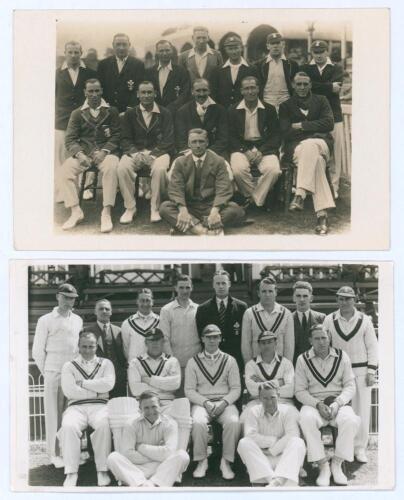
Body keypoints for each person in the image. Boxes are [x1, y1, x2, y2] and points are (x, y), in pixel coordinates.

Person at [295, 325, 360, 486]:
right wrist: (317, 404)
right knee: (305, 418)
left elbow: (350, 385)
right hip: (314, 403)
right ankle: (323, 465)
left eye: (324, 338)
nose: (321, 342)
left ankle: (337, 464)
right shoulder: (302, 359)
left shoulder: (342, 356)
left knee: (351, 420)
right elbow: (300, 391)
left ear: (329, 338)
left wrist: (338, 403)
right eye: (316, 338)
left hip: (338, 402)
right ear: (310, 340)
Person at [323, 286, 378, 463]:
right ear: (337, 300)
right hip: (339, 371)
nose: (344, 302)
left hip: (361, 371)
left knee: (362, 409)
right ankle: (343, 447)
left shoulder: (365, 320)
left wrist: (371, 370)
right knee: (343, 410)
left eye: (348, 299)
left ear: (354, 300)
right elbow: (325, 346)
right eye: (341, 299)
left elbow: (372, 347)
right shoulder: (329, 319)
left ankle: (360, 447)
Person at [32, 283, 83, 468]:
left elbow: (77, 349)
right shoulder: (45, 320)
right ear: (57, 297)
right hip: (53, 372)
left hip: (71, 373)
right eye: (65, 297)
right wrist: (48, 372)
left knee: (70, 413)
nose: (69, 301)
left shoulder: (77, 320)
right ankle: (54, 454)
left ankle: (69, 452)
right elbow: (37, 351)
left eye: (72, 298)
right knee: (54, 413)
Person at [60, 78, 121, 233]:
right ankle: (75, 210)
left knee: (112, 166)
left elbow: (117, 135)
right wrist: (80, 154)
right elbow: (70, 139)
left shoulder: (112, 111)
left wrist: (104, 151)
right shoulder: (77, 113)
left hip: (106, 154)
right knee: (65, 170)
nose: (94, 94)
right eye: (90, 91)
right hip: (84, 155)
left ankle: (106, 211)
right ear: (85, 92)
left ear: (101, 91)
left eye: (97, 91)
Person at [279, 72, 335, 235]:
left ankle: (300, 193)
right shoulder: (286, 106)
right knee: (315, 159)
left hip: (322, 144)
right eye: (298, 84)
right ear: (293, 85)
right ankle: (322, 216)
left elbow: (329, 123)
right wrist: (315, 128)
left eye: (305, 84)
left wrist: (302, 126)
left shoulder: (322, 100)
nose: (302, 87)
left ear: (310, 85)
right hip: (297, 148)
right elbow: (285, 131)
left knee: (311, 146)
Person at [159, 128, 245, 235]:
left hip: (211, 205)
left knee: (235, 209)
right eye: (194, 142)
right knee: (164, 208)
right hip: (189, 205)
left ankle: (189, 227)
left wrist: (215, 211)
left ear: (207, 143)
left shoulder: (218, 161)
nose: (198, 145)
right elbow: (175, 188)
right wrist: (183, 210)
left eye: (201, 141)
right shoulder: (180, 162)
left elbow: (224, 189)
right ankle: (205, 230)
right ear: (188, 144)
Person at [185, 324, 241, 480]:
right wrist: (206, 403)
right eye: (208, 337)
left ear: (220, 338)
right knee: (197, 422)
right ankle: (202, 460)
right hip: (202, 403)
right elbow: (189, 390)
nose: (212, 340)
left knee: (233, 421)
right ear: (202, 339)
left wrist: (223, 402)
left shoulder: (230, 360)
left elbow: (236, 388)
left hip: (225, 403)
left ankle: (226, 461)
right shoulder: (193, 362)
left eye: (215, 337)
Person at [59, 332, 115, 487]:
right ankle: (71, 472)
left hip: (100, 406)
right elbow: (69, 391)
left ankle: (102, 470)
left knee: (104, 425)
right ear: (78, 346)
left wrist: (82, 383)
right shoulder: (69, 366)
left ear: (96, 346)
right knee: (69, 426)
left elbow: (109, 385)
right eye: (84, 346)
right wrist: (97, 390)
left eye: (91, 346)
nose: (88, 350)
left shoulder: (106, 363)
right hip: (76, 407)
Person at [118, 80, 175, 224]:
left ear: (155, 94)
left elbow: (168, 139)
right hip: (135, 152)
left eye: (150, 92)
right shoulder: (130, 114)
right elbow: (125, 139)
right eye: (143, 92)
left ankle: (155, 208)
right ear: (138, 94)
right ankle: (130, 207)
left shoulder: (165, 113)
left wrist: (153, 155)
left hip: (159, 152)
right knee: (122, 167)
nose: (147, 95)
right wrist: (135, 154)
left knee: (160, 169)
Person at [107, 391, 190, 487]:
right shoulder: (131, 424)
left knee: (183, 456)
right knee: (112, 458)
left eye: (154, 406)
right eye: (146, 408)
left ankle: (149, 484)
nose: (151, 411)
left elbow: (169, 453)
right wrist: (158, 454)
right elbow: (127, 454)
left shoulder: (170, 423)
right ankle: (145, 483)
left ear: (160, 406)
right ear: (140, 409)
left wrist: (140, 447)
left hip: (161, 467)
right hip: (138, 468)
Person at [128, 328, 192, 451]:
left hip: (167, 404)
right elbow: (136, 389)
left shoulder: (172, 361)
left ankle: (178, 455)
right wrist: (163, 386)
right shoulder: (135, 362)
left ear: (163, 342)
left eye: (158, 340)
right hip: (143, 404)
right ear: (146, 343)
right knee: (131, 422)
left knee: (181, 417)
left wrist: (149, 380)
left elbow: (175, 384)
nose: (155, 343)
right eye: (151, 340)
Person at [238, 381, 305, 486]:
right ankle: (276, 481)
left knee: (298, 442)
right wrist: (274, 440)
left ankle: (274, 483)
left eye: (272, 397)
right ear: (259, 398)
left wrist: (272, 450)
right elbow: (250, 436)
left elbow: (292, 434)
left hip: (284, 459)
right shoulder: (253, 411)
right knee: (244, 443)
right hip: (262, 460)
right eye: (265, 398)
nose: (269, 402)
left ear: (278, 396)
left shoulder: (289, 410)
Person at [228, 76, 281, 210]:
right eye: (247, 88)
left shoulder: (269, 109)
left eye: (253, 88)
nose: (250, 91)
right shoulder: (232, 110)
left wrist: (261, 151)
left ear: (258, 89)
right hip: (241, 148)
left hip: (264, 148)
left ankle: (252, 200)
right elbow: (230, 136)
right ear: (241, 91)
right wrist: (244, 150)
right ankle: (259, 198)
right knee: (238, 170)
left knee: (274, 170)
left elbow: (276, 135)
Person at [301, 41, 345, 198]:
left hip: (334, 115)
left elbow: (336, 89)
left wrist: (315, 86)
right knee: (312, 148)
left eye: (321, 51)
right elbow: (306, 87)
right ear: (311, 53)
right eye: (315, 52)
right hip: (314, 116)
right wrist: (328, 87)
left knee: (335, 151)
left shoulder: (336, 68)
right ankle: (309, 187)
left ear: (327, 52)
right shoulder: (306, 68)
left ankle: (334, 187)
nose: (318, 55)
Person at [55, 41, 97, 202]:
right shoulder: (57, 73)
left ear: (81, 53)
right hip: (61, 121)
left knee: (85, 152)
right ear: (65, 53)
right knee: (62, 156)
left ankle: (86, 188)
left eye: (76, 52)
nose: (73, 55)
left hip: (84, 120)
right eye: (70, 52)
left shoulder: (89, 73)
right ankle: (62, 191)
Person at [195, 269, 247, 372]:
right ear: (213, 285)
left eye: (224, 283)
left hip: (235, 360)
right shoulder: (203, 309)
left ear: (229, 284)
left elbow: (244, 337)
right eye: (218, 283)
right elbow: (201, 337)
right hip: (212, 360)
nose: (221, 286)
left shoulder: (241, 307)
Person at [159, 274, 201, 394]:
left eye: (187, 287)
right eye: (181, 287)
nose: (184, 291)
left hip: (196, 364)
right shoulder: (166, 310)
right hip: (176, 364)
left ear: (192, 288)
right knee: (179, 400)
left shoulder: (199, 309)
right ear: (175, 288)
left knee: (194, 399)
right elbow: (164, 338)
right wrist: (173, 363)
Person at [242, 331, 296, 421]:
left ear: (275, 343)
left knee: (294, 417)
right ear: (259, 345)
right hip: (257, 402)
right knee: (244, 418)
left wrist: (262, 384)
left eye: (270, 342)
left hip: (283, 401)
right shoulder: (251, 365)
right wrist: (279, 382)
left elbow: (290, 390)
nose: (267, 346)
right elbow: (252, 391)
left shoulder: (286, 363)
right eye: (263, 343)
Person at [241, 277, 294, 364]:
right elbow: (246, 344)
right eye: (264, 291)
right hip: (256, 366)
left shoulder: (286, 313)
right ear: (258, 293)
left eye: (270, 291)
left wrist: (286, 369)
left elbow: (289, 345)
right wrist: (249, 367)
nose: (267, 294)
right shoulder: (249, 313)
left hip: (279, 366)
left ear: (276, 292)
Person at [83, 299, 127, 397]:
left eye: (107, 309)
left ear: (111, 312)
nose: (104, 311)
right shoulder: (87, 331)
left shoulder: (119, 331)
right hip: (97, 379)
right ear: (95, 312)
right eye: (101, 309)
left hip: (118, 380)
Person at [175, 78, 229, 159]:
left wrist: (209, 153)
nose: (201, 94)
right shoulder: (183, 111)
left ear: (209, 91)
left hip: (216, 152)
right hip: (190, 152)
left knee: (226, 169)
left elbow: (223, 138)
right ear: (192, 91)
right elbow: (181, 139)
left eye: (204, 90)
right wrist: (193, 154)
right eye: (198, 90)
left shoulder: (220, 110)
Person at [97, 33, 145, 113]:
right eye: (118, 44)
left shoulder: (138, 65)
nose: (121, 48)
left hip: (130, 111)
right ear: (113, 45)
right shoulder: (103, 64)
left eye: (124, 44)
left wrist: (130, 109)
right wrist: (106, 107)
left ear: (129, 45)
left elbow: (139, 88)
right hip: (108, 110)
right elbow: (100, 87)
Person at [210, 34, 258, 109]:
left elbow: (257, 92)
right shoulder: (218, 71)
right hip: (223, 112)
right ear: (226, 50)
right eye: (230, 49)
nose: (234, 52)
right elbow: (213, 94)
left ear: (241, 48)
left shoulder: (252, 69)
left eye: (236, 48)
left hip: (244, 111)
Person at [254, 32, 299, 111]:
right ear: (268, 46)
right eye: (272, 43)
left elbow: (296, 85)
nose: (275, 46)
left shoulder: (292, 64)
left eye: (278, 43)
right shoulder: (259, 65)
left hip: (286, 103)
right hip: (266, 103)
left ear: (283, 45)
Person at [145, 40, 190, 115]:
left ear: (172, 51)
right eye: (161, 51)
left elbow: (185, 94)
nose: (164, 53)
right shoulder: (149, 72)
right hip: (154, 113)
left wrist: (170, 109)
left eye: (167, 50)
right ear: (156, 52)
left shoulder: (181, 71)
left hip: (176, 113)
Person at [120, 288, 160, 363]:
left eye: (148, 300)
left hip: (156, 367)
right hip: (135, 368)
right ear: (137, 302)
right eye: (142, 300)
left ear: (153, 302)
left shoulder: (160, 322)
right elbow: (126, 349)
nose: (145, 304)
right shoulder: (127, 323)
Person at [292, 281, 325, 366]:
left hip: (317, 365)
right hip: (295, 365)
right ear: (294, 298)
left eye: (305, 296)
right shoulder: (288, 319)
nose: (302, 299)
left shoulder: (321, 318)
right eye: (298, 296)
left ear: (311, 298)